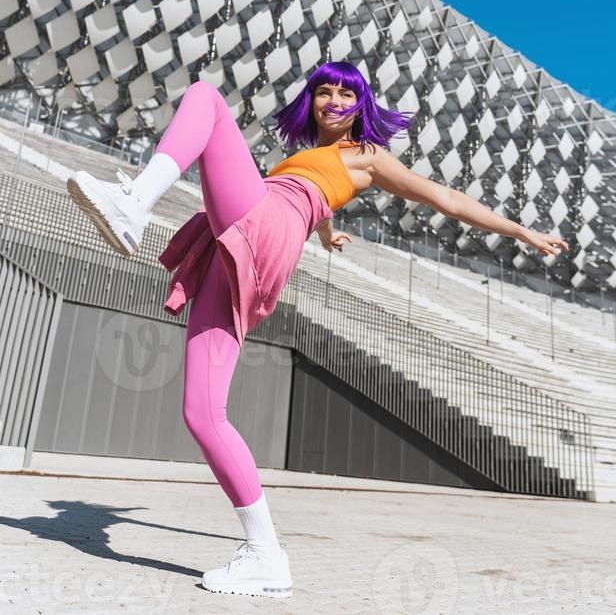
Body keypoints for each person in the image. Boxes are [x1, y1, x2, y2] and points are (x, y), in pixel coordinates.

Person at [66, 60, 569, 599]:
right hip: (239, 243)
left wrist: (520, 230)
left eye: (345, 94)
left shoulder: (368, 156)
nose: (333, 101)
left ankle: (134, 202)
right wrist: (327, 233)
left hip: (266, 225)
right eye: (324, 91)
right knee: (202, 412)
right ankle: (265, 555)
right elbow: (317, 194)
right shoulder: (308, 159)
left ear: (362, 106)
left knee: (207, 99)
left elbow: (441, 197)